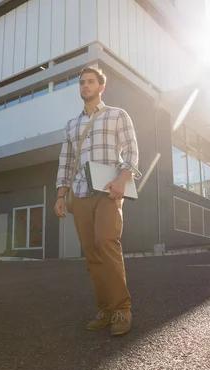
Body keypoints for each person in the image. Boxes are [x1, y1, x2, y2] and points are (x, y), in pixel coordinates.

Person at [54, 66, 141, 336]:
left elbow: (132, 150)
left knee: (106, 243)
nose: (85, 86)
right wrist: (60, 194)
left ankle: (122, 309)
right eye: (81, 82)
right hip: (79, 194)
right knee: (92, 253)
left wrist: (123, 179)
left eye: (90, 82)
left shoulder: (117, 115)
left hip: (108, 191)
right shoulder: (71, 125)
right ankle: (104, 309)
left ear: (101, 86)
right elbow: (66, 162)